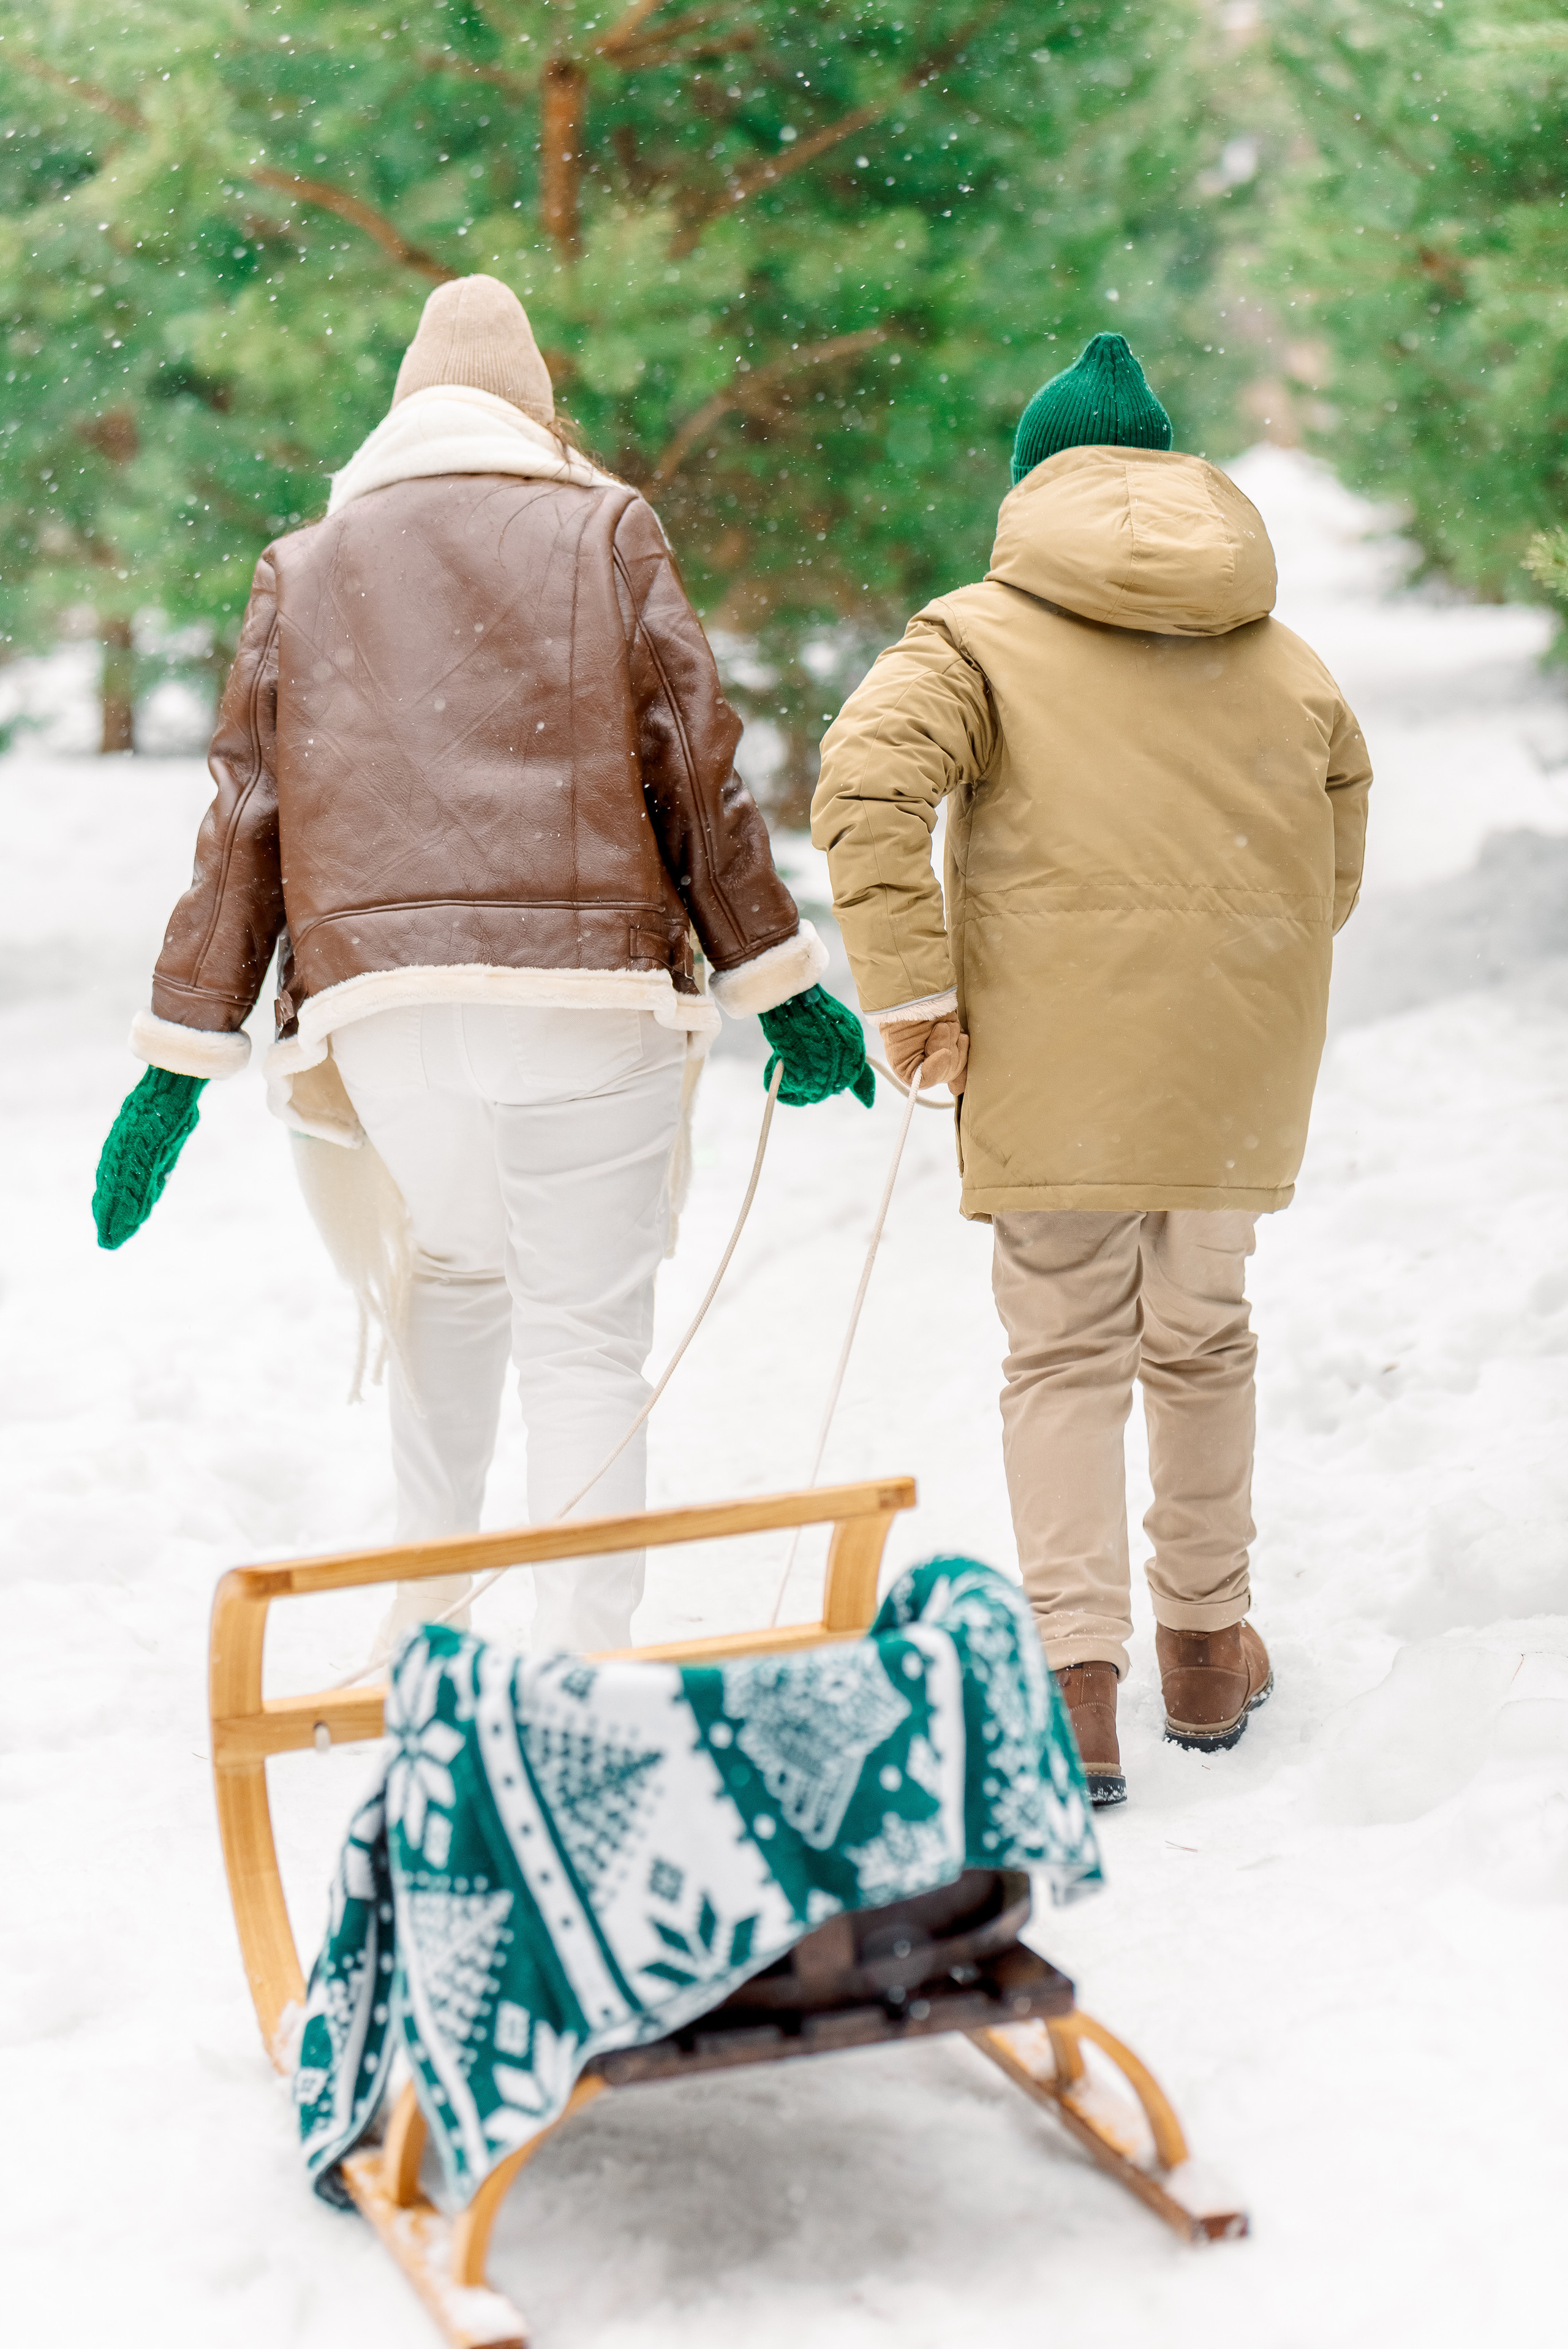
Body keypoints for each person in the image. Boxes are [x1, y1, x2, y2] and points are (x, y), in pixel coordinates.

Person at [94, 274, 871, 1654]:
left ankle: (429, 1638)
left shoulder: (306, 564)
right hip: (586, 1002)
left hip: (383, 1013)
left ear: (400, 411)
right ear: (536, 412)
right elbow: (693, 771)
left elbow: (246, 823)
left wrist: (181, 1060)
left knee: (450, 1279)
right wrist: (783, 984)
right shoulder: (605, 528)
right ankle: (582, 1668)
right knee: (581, 1336)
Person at [812, 332, 1371, 1804]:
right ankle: (1203, 1646)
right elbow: (1335, 846)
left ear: (1030, 483)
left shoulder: (971, 637)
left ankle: (1078, 1692)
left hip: (1049, 1054)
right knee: (1202, 1338)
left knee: (1061, 1352)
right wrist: (1245, 970)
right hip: (1229, 1062)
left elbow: (864, 785)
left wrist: (915, 992)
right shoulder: (1279, 649)